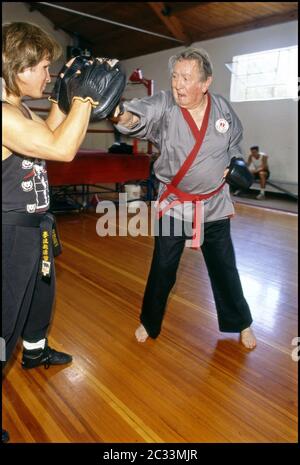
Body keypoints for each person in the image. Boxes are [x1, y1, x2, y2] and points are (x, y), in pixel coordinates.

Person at [111, 48, 257, 351]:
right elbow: (137, 116)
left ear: (205, 83)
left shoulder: (222, 109)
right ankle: (149, 322)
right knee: (162, 268)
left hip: (214, 205)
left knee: (225, 268)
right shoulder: (165, 104)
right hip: (174, 205)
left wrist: (237, 164)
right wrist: (118, 112)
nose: (178, 84)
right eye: (175, 76)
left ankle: (241, 323)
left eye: (186, 78)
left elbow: (234, 143)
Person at [1, 22, 104, 442]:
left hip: (35, 225)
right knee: (3, 322)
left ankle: (36, 353)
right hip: (9, 232)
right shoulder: (2, 115)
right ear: (16, 68)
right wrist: (85, 97)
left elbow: (50, 132)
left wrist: (65, 93)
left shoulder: (19, 107)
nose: (48, 74)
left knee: (40, 298)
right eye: (43, 67)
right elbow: (63, 149)